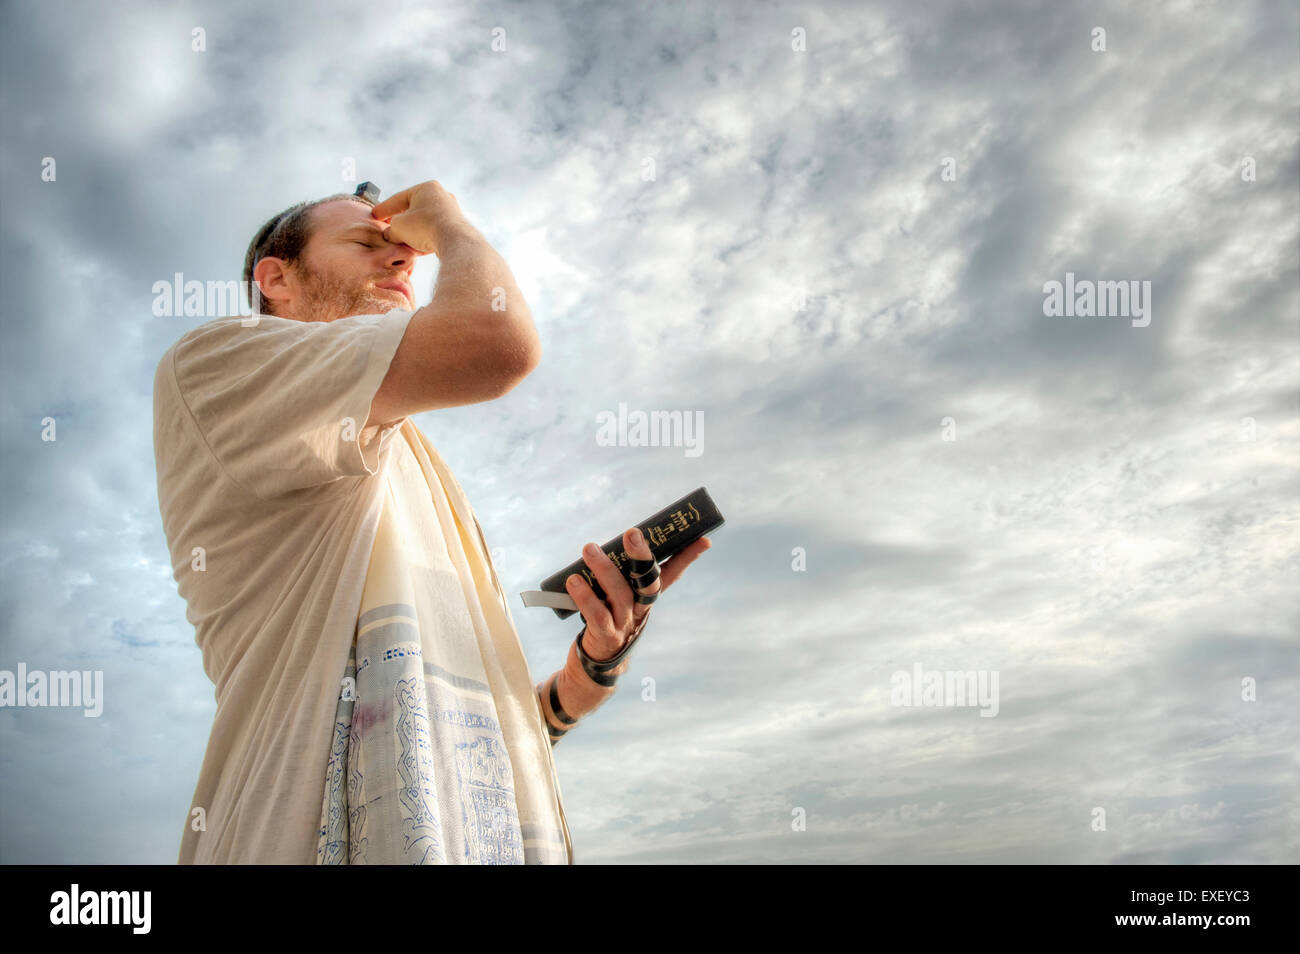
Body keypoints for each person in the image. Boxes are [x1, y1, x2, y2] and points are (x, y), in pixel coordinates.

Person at [151, 180, 711, 864]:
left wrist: (594, 665)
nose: (404, 260)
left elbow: (462, 746)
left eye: (409, 251)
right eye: (367, 243)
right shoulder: (215, 365)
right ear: (277, 279)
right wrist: (450, 225)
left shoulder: (409, 464)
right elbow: (497, 338)